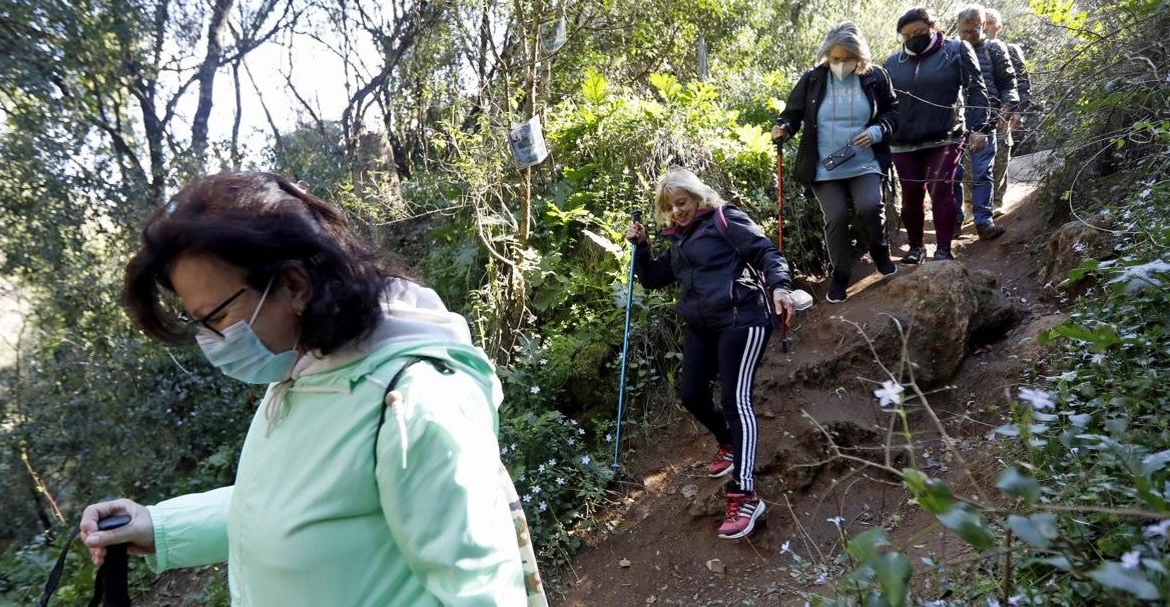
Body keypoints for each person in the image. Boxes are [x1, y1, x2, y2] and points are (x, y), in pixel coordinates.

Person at [79, 172, 541, 606]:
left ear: (294, 285)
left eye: (216, 318)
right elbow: (290, 510)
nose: (211, 342)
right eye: (196, 323)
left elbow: (483, 591)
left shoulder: (416, 401)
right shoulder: (305, 374)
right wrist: (160, 527)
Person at [624, 167, 795, 540]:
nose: (676, 212)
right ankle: (729, 442)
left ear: (696, 196)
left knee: (736, 401)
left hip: (742, 317)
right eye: (669, 208)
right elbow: (654, 279)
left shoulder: (725, 219)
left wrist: (780, 288)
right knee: (691, 395)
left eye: (680, 203)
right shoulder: (680, 239)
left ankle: (745, 494)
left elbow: (766, 251)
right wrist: (642, 248)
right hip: (702, 324)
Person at [772, 21, 900, 304]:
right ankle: (840, 275)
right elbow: (792, 113)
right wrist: (783, 127)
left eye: (847, 59)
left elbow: (893, 112)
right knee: (836, 216)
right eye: (835, 59)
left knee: (870, 205)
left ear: (860, 57)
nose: (840, 64)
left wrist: (879, 130)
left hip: (864, 160)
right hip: (824, 165)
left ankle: (880, 252)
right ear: (827, 55)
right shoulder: (813, 79)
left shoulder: (875, 76)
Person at [883, 7, 992, 263]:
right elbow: (884, 103)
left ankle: (943, 249)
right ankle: (915, 248)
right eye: (906, 34)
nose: (913, 37)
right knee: (911, 196)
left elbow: (976, 89)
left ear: (934, 27)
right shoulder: (892, 63)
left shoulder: (956, 50)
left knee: (941, 191)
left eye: (919, 31)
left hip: (945, 136)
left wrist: (980, 127)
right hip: (903, 141)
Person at [953, 5, 1019, 240]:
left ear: (982, 26)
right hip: (957, 121)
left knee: (984, 171)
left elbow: (1009, 84)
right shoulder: (952, 49)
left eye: (970, 31)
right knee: (955, 173)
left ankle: (984, 220)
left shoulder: (995, 49)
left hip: (988, 119)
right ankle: (955, 220)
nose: (965, 36)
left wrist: (1008, 108)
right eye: (961, 31)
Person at [984, 8, 1032, 215]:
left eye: (990, 22)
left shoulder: (1010, 50)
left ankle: (996, 202)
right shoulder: (966, 49)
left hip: (1003, 111)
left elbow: (1023, 82)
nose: (985, 26)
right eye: (982, 22)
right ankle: (971, 205)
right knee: (972, 159)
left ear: (999, 27)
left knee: (1001, 155)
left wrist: (1019, 111)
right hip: (975, 113)